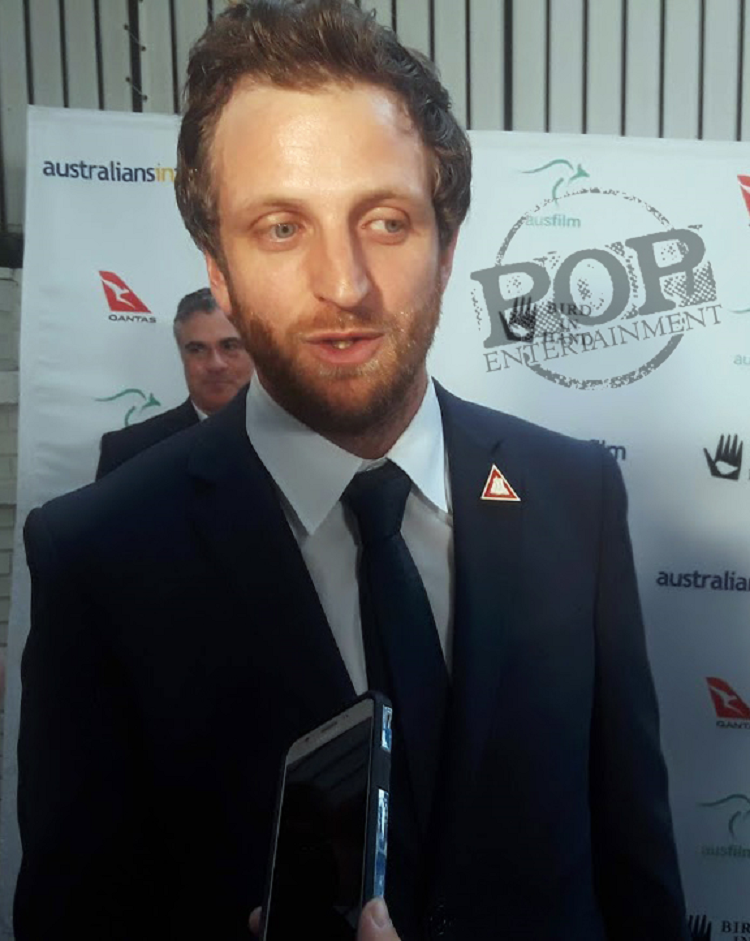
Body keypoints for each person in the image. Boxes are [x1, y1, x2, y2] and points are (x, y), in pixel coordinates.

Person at [15, 1, 690, 939]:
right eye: (280, 227)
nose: (345, 284)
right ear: (218, 269)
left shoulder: (577, 497)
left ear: (447, 250)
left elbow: (637, 870)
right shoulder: (98, 557)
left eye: (384, 219)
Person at [96, 287, 253, 477]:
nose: (215, 364)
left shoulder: (286, 438)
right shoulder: (128, 452)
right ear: (181, 355)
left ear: (255, 352)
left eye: (229, 346)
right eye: (197, 349)